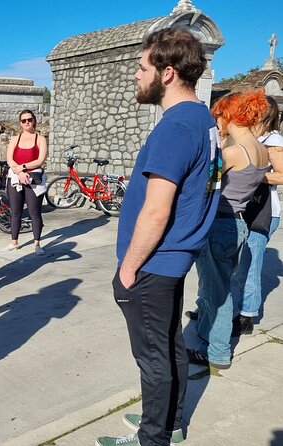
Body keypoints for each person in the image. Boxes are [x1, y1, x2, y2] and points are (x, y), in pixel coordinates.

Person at [97, 28, 221, 446]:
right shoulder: (203, 118)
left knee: (153, 358)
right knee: (170, 347)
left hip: (153, 263)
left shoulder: (175, 127)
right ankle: (171, 421)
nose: (136, 74)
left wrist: (128, 269)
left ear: (167, 73)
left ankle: (154, 438)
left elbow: (156, 209)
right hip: (174, 259)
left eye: (142, 66)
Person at [186, 90, 269, 370]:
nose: (217, 121)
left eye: (219, 115)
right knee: (218, 286)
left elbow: (205, 181)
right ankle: (207, 337)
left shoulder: (234, 151)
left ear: (229, 114)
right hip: (238, 222)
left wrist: (218, 145)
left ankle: (217, 352)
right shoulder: (261, 150)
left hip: (219, 223)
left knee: (216, 292)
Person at [231, 96, 283, 335]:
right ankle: (223, 309)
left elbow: (282, 175)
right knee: (237, 264)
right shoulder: (254, 138)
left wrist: (254, 174)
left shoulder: (273, 140)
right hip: (246, 207)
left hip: (263, 211)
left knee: (250, 265)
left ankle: (247, 316)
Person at [3, 109, 48, 254]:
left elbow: (40, 160)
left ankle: (37, 244)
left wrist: (23, 167)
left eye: (29, 119)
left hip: (33, 179)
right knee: (15, 212)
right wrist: (20, 172)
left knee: (34, 212)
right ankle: (13, 242)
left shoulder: (40, 139)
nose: (27, 122)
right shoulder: (15, 139)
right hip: (16, 177)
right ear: (20, 123)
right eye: (24, 120)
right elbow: (10, 160)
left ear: (34, 120)